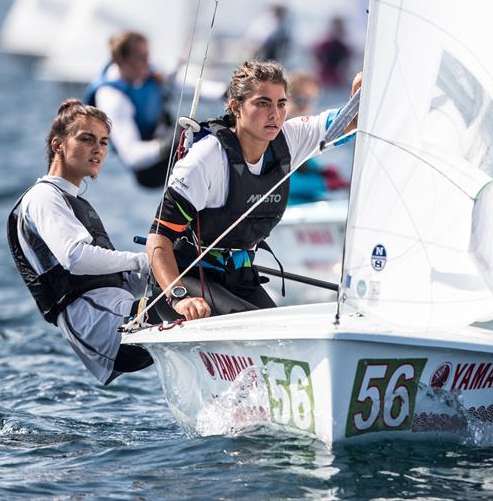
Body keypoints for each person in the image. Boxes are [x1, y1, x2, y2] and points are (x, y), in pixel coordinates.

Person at [146, 61, 360, 320]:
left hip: (239, 276)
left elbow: (352, 122)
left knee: (284, 329)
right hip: (187, 277)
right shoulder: (206, 159)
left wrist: (363, 92)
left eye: (281, 104)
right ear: (236, 107)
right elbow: (159, 239)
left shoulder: (290, 140)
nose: (275, 113)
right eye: (262, 103)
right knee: (252, 323)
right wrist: (178, 296)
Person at [7, 99, 154, 385]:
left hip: (119, 316)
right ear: (57, 145)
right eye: (86, 139)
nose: (97, 149)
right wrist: (141, 260)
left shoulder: (75, 202)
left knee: (200, 278)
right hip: (107, 330)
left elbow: (112, 282)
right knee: (201, 301)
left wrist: (152, 271)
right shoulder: (43, 197)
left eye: (103, 142)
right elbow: (75, 258)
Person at [84, 31, 173, 189]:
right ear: (121, 60)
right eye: (140, 57)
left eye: (147, 55)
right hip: (148, 170)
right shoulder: (111, 97)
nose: (148, 62)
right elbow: (131, 156)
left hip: (162, 136)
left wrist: (223, 92)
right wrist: (170, 143)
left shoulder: (147, 70)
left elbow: (180, 83)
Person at [286, 71, 348, 204]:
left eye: (311, 100)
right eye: (300, 100)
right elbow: (279, 182)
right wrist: (324, 183)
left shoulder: (305, 132)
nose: (305, 106)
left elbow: (301, 168)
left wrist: (321, 173)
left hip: (303, 207)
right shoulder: (276, 131)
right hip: (284, 212)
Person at [313, 16, 353, 88]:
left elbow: (347, 62)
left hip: (336, 80)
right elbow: (316, 55)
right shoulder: (325, 44)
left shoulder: (343, 46)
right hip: (325, 78)